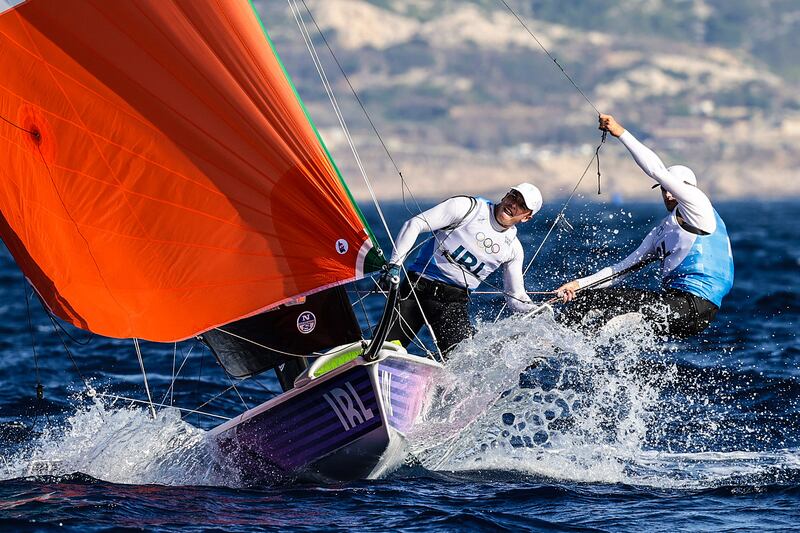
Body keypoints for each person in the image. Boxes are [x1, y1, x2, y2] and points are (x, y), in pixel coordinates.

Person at [556, 114, 734, 336]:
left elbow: (656, 169)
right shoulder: (661, 232)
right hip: (678, 308)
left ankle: (554, 345)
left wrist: (620, 131)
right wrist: (578, 285)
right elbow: (620, 270)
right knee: (589, 303)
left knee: (602, 312)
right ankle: (557, 350)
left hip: (692, 306)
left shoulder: (699, 206)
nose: (668, 194)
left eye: (672, 187)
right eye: (662, 189)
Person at [381, 184, 542, 354]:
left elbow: (516, 297)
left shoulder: (513, 249)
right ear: (505, 196)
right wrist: (394, 265)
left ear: (526, 218)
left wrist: (537, 311)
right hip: (415, 290)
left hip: (452, 304)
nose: (513, 204)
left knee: (463, 365)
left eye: (522, 206)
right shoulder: (467, 207)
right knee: (383, 350)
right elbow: (415, 224)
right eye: (513, 196)